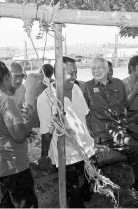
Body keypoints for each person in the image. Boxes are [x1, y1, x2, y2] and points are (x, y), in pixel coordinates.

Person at [82, 56, 138, 196]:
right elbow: (83, 113)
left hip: (124, 125)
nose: (97, 71)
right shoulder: (87, 87)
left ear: (107, 69)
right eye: (93, 68)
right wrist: (90, 135)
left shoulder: (118, 83)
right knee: (135, 148)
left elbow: (125, 106)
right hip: (106, 132)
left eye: (100, 67)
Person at [37, 57, 95, 207]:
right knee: (74, 191)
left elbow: (84, 116)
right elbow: (45, 131)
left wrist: (90, 138)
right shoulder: (46, 98)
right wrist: (44, 156)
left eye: (76, 72)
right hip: (65, 154)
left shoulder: (76, 88)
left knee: (93, 180)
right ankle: (75, 201)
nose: (75, 77)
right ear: (58, 74)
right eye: (71, 73)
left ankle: (81, 197)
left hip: (85, 147)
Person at [0, 61, 38, 208]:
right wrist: (31, 119)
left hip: (0, 164)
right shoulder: (5, 100)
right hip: (14, 167)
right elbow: (19, 136)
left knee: (7, 203)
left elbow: (4, 130)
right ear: (7, 77)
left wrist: (25, 129)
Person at [24, 64, 55, 128]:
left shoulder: (30, 76)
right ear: (52, 74)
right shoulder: (52, 83)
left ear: (40, 70)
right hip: (44, 123)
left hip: (28, 119)